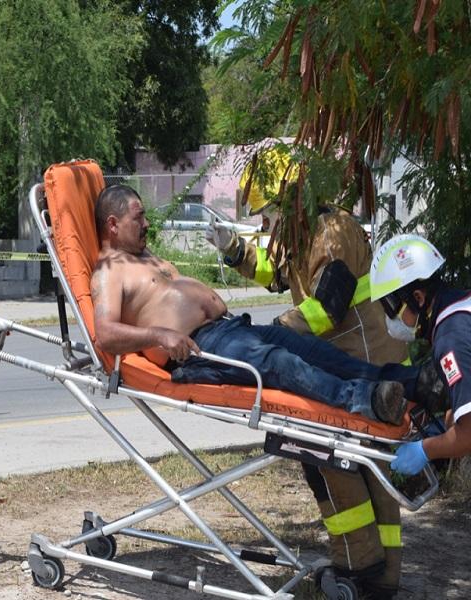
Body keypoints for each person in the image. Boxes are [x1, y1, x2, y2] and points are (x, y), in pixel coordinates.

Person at [204, 172, 433, 598]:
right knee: (368, 469)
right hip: (353, 364)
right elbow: (278, 273)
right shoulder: (308, 231)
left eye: (269, 214)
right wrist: (235, 251)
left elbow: (327, 305)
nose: (266, 224)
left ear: (289, 201)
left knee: (336, 463)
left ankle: (361, 569)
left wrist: (274, 332)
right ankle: (380, 576)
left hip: (359, 364)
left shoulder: (332, 233)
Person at [90, 184, 425, 427]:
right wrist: (159, 335)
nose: (147, 224)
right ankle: (365, 401)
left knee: (313, 351)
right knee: (279, 363)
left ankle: (413, 383)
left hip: (231, 329)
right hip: (202, 347)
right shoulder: (109, 271)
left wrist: (233, 249)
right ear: (113, 225)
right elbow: (105, 333)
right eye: (139, 218)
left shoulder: (144, 255)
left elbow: (274, 271)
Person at [371, 234, 471, 475]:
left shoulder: (450, 339)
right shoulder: (463, 306)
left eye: (392, 307)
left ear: (418, 298)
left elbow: (469, 436)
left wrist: (426, 449)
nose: (389, 320)